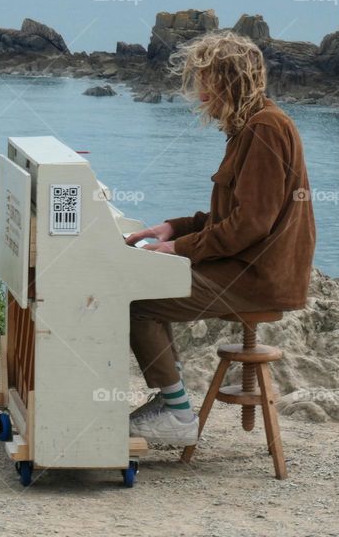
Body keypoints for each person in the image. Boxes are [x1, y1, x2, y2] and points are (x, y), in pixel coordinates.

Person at [125, 31, 316, 446]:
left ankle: (176, 413)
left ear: (226, 81)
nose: (198, 91)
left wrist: (178, 249)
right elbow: (234, 216)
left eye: (204, 79)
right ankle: (170, 404)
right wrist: (173, 229)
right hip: (247, 267)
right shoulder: (251, 125)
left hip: (256, 277)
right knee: (147, 291)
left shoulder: (264, 129)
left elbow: (250, 225)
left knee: (138, 303)